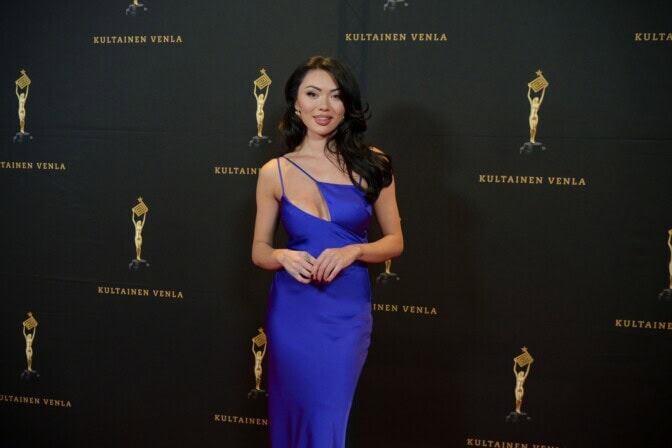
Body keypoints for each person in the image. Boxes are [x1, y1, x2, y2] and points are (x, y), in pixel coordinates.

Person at [252, 56, 403, 448]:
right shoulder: (274, 172)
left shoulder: (373, 164)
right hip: (292, 312)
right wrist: (282, 256)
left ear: (347, 104)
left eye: (335, 96)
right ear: (295, 103)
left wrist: (354, 251)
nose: (324, 106)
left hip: (346, 313)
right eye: (313, 94)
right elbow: (259, 250)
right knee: (293, 411)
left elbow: (395, 241)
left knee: (327, 414)